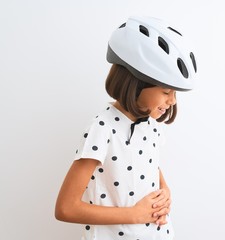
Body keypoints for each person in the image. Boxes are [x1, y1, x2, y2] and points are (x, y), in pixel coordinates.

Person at [55, 15, 197, 240]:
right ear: (137, 82)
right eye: (166, 91)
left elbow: (147, 166)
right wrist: (134, 215)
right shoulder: (102, 128)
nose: (172, 101)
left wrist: (165, 191)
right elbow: (66, 207)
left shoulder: (150, 126)